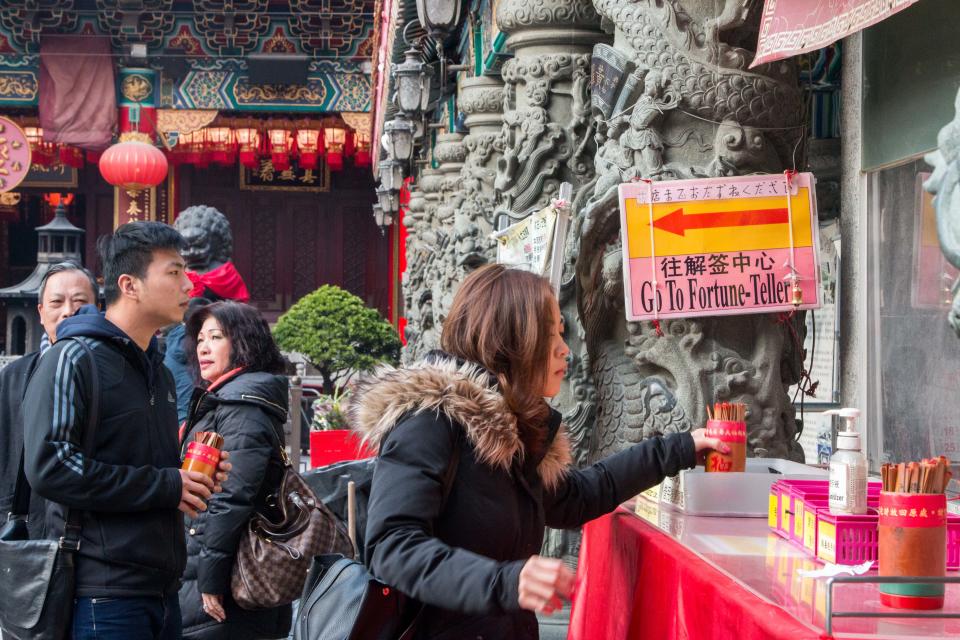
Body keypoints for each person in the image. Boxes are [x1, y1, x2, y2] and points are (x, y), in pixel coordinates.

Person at [353, 264, 728, 639]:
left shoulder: (512, 433)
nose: (566, 351)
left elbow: (576, 497)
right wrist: (505, 583)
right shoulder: (429, 421)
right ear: (510, 341)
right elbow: (392, 547)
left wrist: (680, 448)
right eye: (552, 335)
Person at [23, 222, 230, 640]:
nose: (188, 284)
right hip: (104, 593)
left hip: (163, 588)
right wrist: (165, 486)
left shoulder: (159, 371)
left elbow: (149, 469)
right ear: (129, 285)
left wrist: (189, 479)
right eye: (173, 272)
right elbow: (51, 466)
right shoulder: (73, 360)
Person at [178, 301, 292, 640]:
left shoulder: (242, 407)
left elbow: (231, 497)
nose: (204, 348)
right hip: (217, 569)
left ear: (243, 343)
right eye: (200, 339)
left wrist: (209, 580)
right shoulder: (225, 399)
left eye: (216, 337)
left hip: (233, 579)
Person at [0, 261, 98, 539]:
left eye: (79, 301)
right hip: (25, 526)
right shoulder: (13, 377)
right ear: (41, 313)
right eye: (57, 302)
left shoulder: (111, 374)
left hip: (89, 534)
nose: (68, 311)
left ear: (97, 309)